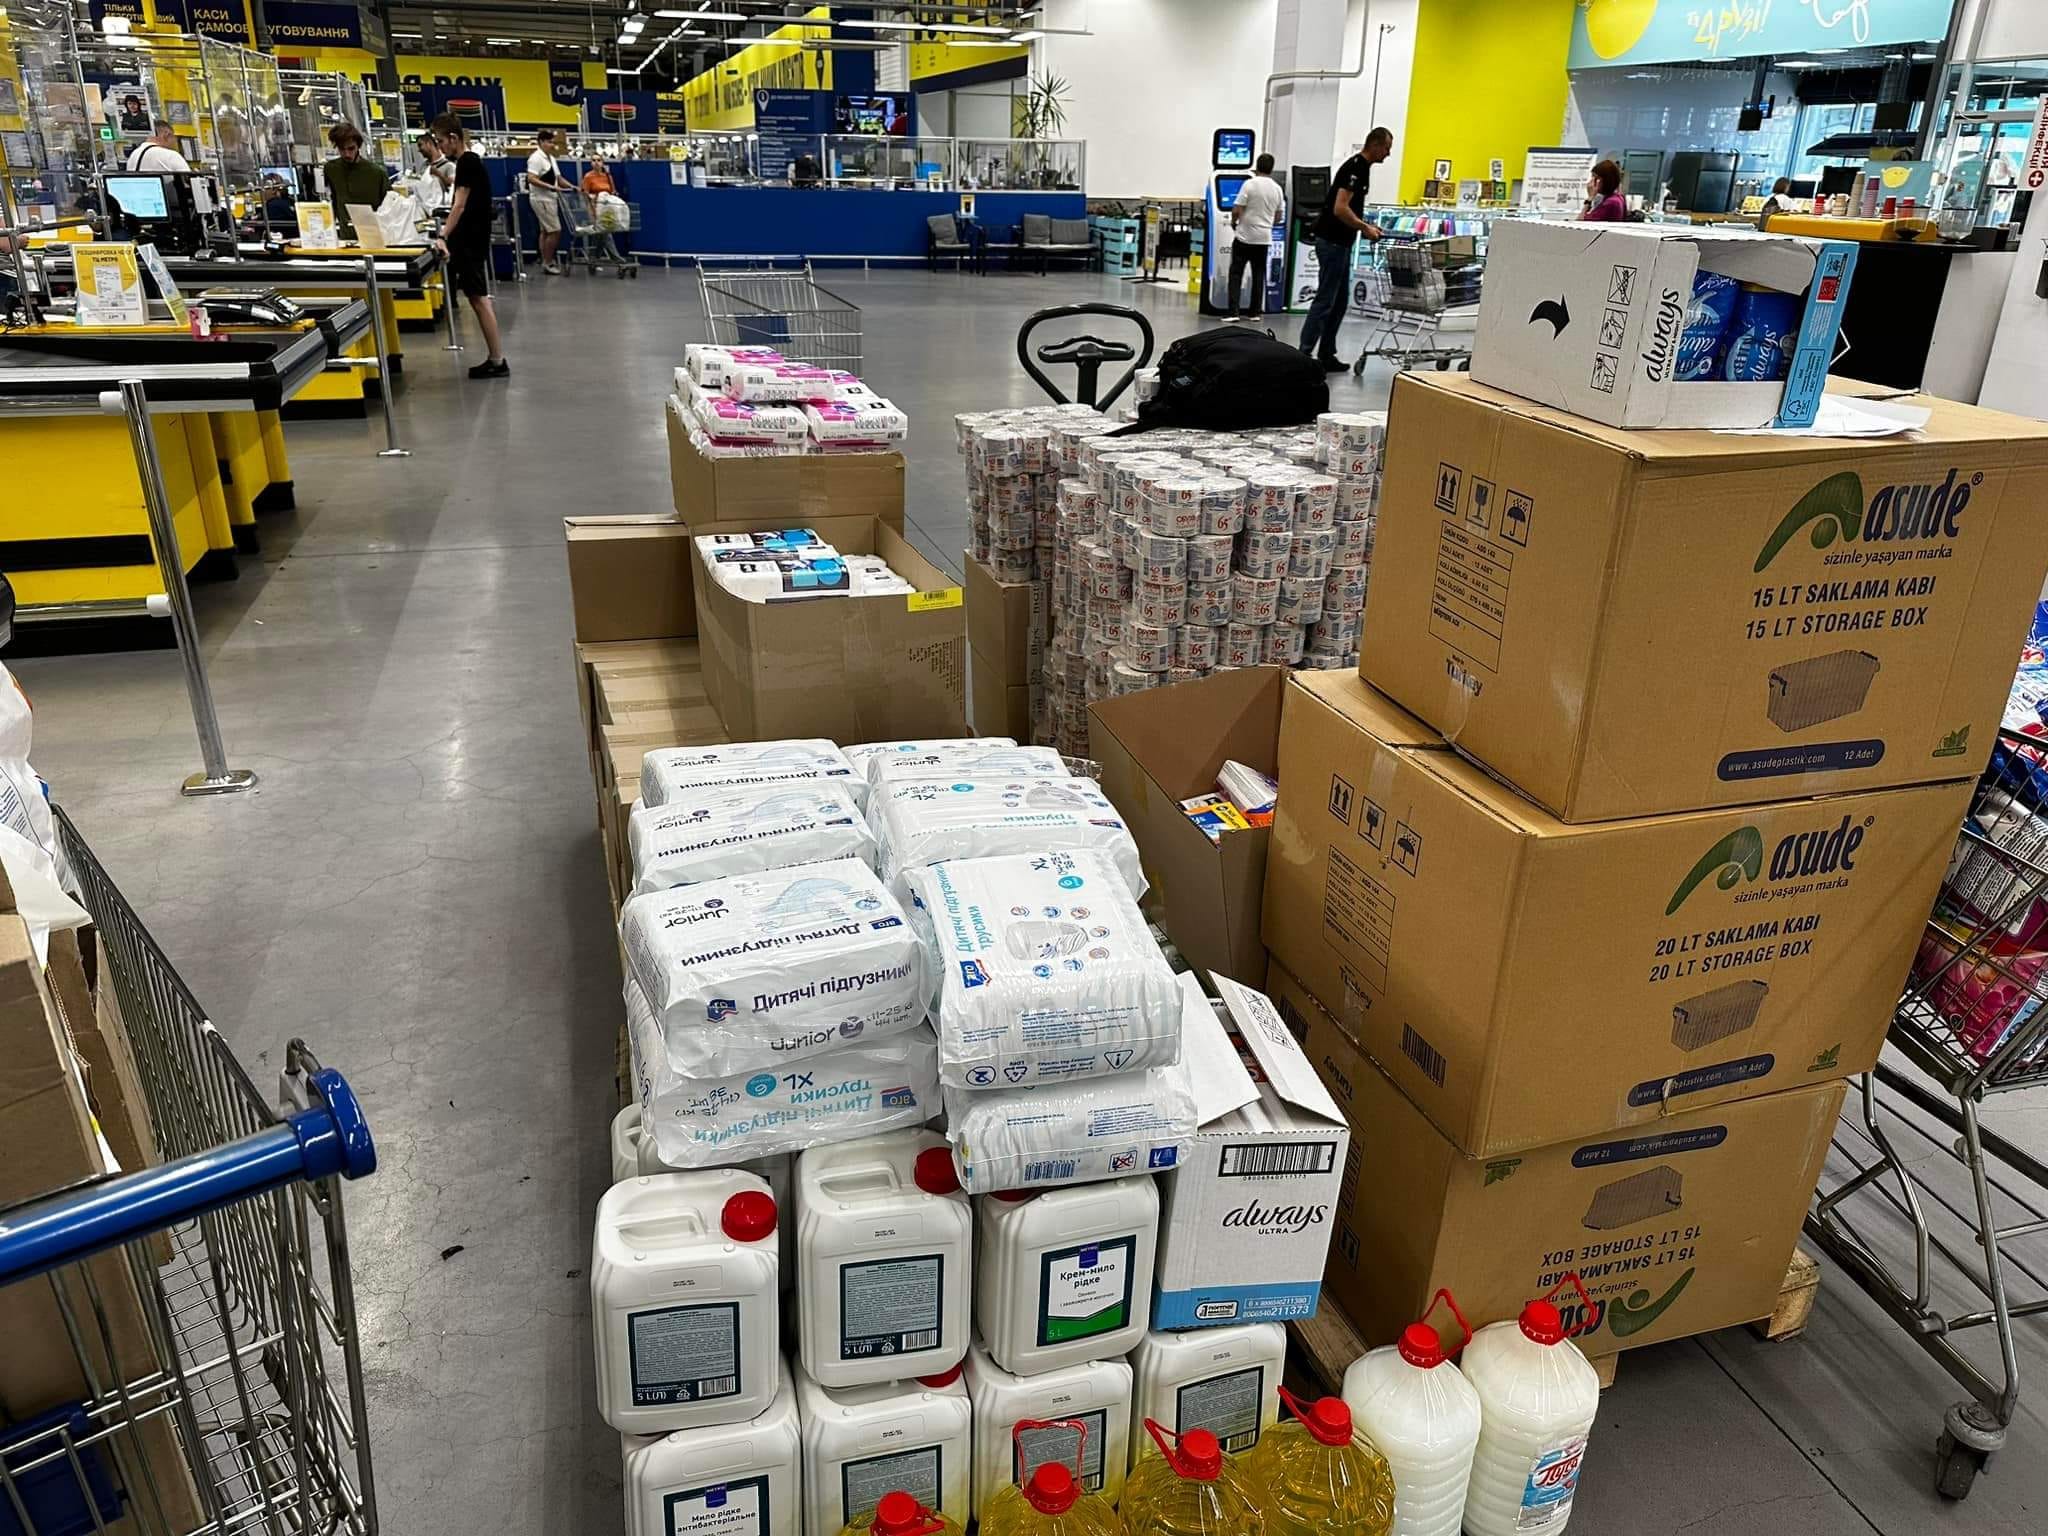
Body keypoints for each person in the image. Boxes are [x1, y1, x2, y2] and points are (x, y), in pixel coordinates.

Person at [1299, 127, 1391, 371]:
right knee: (1325, 300)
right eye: (1386, 148)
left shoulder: (1362, 168)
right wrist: (1364, 228)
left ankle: (1326, 353)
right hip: (1333, 243)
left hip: (1340, 243)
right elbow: (1340, 208)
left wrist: (1366, 225)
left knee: (1339, 302)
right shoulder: (1355, 168)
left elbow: (1349, 207)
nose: (1388, 153)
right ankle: (1303, 354)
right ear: (1375, 145)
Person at [429, 114, 509, 379]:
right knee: (476, 298)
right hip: (472, 239)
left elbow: (459, 205)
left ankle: (497, 360)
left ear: (453, 138)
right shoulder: (469, 162)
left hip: (470, 241)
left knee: (479, 298)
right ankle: (495, 358)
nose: (440, 147)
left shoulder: (467, 162)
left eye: (441, 141)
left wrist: (443, 234)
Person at [1224, 152, 1284, 323]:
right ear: (1271, 168)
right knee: (1258, 274)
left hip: (1245, 236)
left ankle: (1233, 312)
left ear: (1257, 166)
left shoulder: (1249, 185)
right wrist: (1267, 224)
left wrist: (1234, 223)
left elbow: (1237, 209)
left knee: (1236, 273)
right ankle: (1255, 312)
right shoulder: (1277, 189)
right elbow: (1279, 215)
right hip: (1264, 238)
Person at [325, 122, 391, 240]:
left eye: (351, 148)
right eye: (342, 149)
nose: (347, 154)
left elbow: (390, 206)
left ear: (358, 146)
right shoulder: (331, 169)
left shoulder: (377, 173)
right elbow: (334, 199)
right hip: (346, 237)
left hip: (375, 235)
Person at [526, 128, 567, 274]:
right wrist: (551, 187)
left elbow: (559, 179)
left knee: (545, 231)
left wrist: (572, 186)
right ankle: (548, 262)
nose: (552, 145)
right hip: (541, 199)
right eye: (549, 142)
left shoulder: (551, 158)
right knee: (555, 231)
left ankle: (545, 260)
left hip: (550, 199)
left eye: (553, 142)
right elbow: (531, 178)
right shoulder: (536, 158)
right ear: (541, 142)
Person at [124, 118, 191, 173]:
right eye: (173, 137)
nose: (174, 142)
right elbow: (189, 180)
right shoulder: (170, 155)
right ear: (167, 135)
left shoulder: (133, 155)